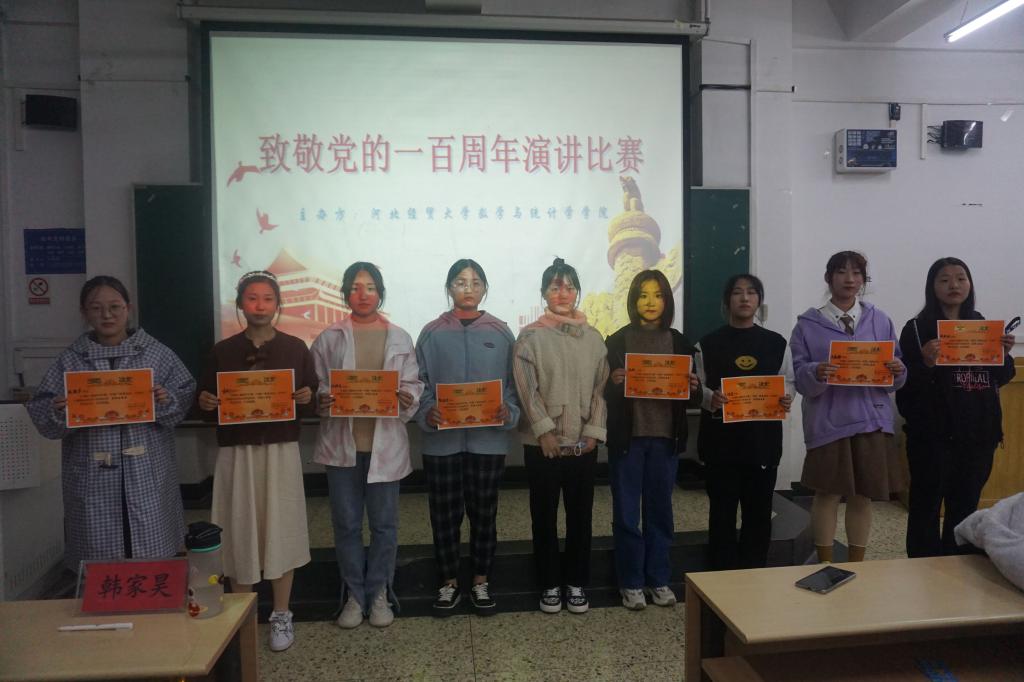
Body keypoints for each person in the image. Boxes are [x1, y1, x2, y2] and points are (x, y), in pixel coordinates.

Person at [26, 275, 195, 571]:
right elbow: (43, 414)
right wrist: (59, 410)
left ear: (128, 308)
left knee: (150, 550)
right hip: (93, 473)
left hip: (146, 470)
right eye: (96, 308)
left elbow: (184, 395)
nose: (107, 315)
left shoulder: (157, 354)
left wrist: (165, 400)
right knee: (100, 558)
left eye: (115, 306)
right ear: (84, 313)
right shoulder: (70, 361)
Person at [196, 270, 316, 651]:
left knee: (281, 526)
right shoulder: (223, 351)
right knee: (239, 528)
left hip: (280, 450)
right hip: (237, 452)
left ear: (278, 304)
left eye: (267, 298)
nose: (260, 306)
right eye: (252, 298)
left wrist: (306, 397)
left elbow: (311, 397)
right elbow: (204, 404)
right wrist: (206, 403)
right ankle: (242, 614)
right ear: (240, 304)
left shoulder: (296, 348)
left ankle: (281, 613)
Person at [311, 262, 423, 629]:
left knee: (384, 526)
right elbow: (318, 385)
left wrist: (407, 397)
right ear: (346, 293)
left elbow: (413, 384)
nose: (363, 294)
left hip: (384, 446)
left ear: (380, 293)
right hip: (342, 447)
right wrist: (322, 400)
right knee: (346, 525)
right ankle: (354, 595)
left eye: (371, 287)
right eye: (356, 287)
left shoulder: (400, 337)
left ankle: (378, 593)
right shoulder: (329, 338)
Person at [415, 259, 521, 616]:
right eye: (460, 282)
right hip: (441, 444)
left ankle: (480, 580)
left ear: (484, 289)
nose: (468, 288)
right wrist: (427, 410)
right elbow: (418, 383)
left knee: (484, 514)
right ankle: (448, 583)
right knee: (443, 516)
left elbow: (515, 385)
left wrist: (508, 410)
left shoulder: (502, 333)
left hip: (487, 442)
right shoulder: (431, 333)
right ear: (449, 288)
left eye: (476, 282)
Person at [790, 251, 906, 563]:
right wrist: (816, 371)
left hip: (871, 420)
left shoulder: (880, 320)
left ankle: (858, 563)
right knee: (827, 493)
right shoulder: (807, 325)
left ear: (863, 280)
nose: (850, 279)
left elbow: (895, 371)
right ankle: (825, 561)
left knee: (863, 495)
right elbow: (798, 376)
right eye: (841, 272)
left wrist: (898, 370)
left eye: (856, 273)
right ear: (828, 278)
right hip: (829, 422)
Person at [896, 257, 1015, 557]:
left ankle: (956, 571)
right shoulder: (917, 329)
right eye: (945, 279)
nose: (954, 285)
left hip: (978, 435)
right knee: (925, 507)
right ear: (932, 286)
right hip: (931, 437)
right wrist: (925, 362)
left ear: (969, 284)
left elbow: (1001, 377)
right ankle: (922, 569)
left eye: (961, 278)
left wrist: (1004, 354)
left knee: (964, 508)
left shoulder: (982, 325)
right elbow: (903, 385)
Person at [513, 257, 609, 614]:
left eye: (569, 287)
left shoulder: (595, 339)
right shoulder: (530, 337)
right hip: (543, 446)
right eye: (555, 287)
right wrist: (544, 432)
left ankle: (576, 582)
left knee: (581, 517)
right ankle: (549, 583)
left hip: (583, 445)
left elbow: (601, 389)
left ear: (577, 292)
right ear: (544, 293)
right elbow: (526, 389)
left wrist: (593, 433)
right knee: (544, 516)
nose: (563, 293)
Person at [604, 269, 699, 610]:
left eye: (658, 295)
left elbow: (693, 395)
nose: (650, 302)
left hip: (665, 439)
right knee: (627, 513)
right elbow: (603, 392)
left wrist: (694, 387)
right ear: (633, 300)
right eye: (643, 295)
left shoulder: (680, 342)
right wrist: (613, 383)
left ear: (667, 300)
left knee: (660, 512)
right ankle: (630, 582)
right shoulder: (616, 341)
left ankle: (658, 578)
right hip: (627, 440)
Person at [695, 274, 794, 571]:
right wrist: (710, 398)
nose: (745, 298)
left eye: (751, 292)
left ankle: (753, 578)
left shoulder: (776, 343)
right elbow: (695, 387)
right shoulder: (706, 344)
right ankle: (721, 580)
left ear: (759, 300)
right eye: (737, 292)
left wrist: (786, 398)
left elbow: (788, 382)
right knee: (721, 516)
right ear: (727, 301)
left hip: (762, 444)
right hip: (720, 446)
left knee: (759, 516)